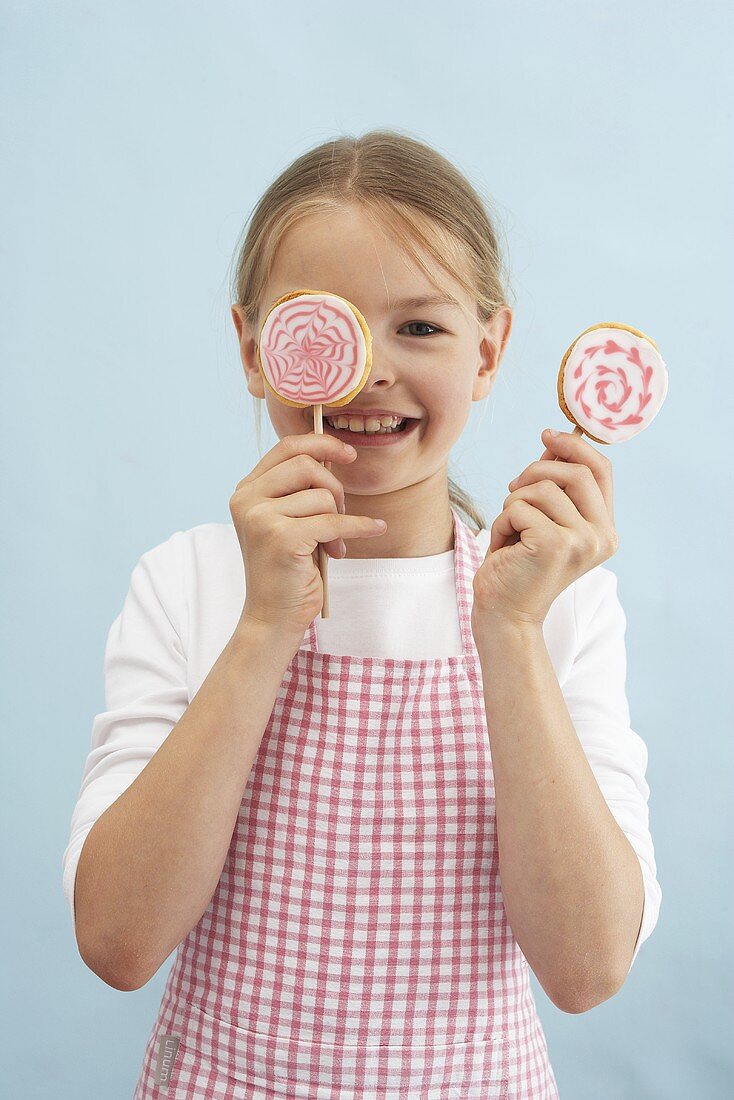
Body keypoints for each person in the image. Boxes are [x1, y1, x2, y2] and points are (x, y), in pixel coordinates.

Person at [62, 129, 662, 1098]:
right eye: (322, 327)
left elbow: (585, 967)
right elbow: (119, 941)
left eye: (419, 327)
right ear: (254, 351)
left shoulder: (559, 607)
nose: (369, 371)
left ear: (488, 349)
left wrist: (506, 633)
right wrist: (262, 626)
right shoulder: (187, 584)